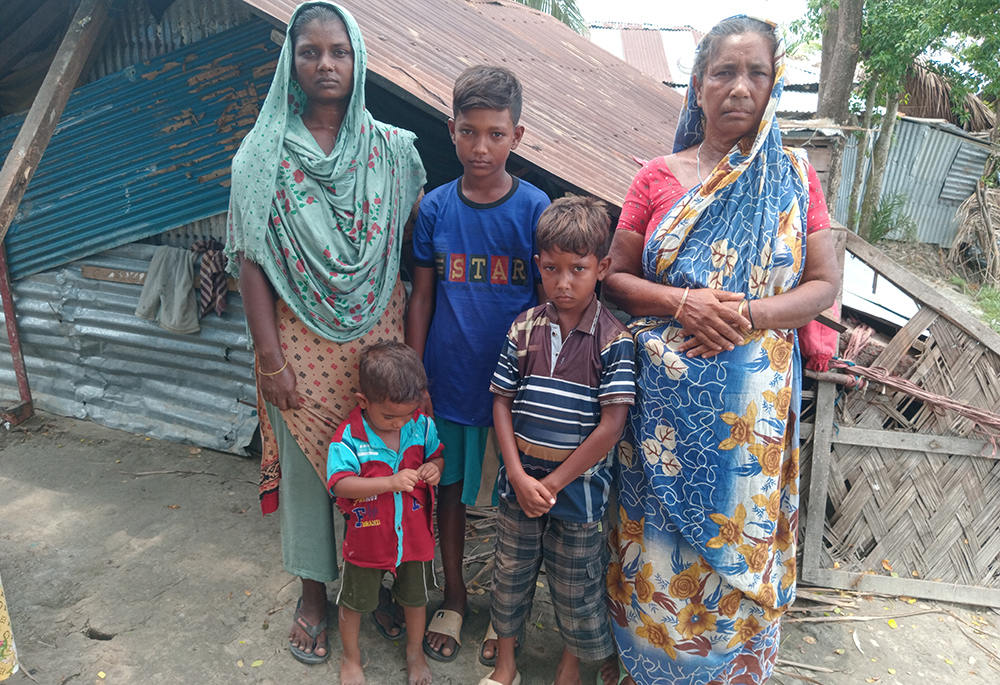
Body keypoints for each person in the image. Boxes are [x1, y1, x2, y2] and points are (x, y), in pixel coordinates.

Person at [601, 16, 840, 685]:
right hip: (662, 422)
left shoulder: (795, 176)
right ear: (698, 85)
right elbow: (613, 277)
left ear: (774, 86)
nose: (739, 87)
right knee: (656, 552)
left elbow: (823, 286)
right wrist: (682, 302)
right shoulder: (657, 176)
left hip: (751, 423)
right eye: (723, 72)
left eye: (756, 73)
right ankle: (654, 668)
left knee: (739, 552)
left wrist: (745, 312)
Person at [225, 1, 425, 665]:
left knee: (387, 463)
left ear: (358, 59)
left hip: (379, 337)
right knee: (316, 477)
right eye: (309, 51)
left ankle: (384, 580)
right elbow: (251, 257)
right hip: (298, 344)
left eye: (338, 51)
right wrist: (268, 357)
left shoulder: (393, 152)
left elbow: (404, 250)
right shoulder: (262, 157)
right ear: (292, 62)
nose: (325, 63)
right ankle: (315, 591)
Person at [406, 65, 550, 664]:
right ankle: (456, 595)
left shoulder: (535, 209)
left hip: (516, 389)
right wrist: (416, 376)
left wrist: (541, 382)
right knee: (453, 494)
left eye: (495, 133)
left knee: (514, 504)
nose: (481, 147)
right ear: (452, 131)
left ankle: (505, 613)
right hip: (450, 378)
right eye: (469, 132)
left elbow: (550, 303)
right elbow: (421, 295)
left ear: (517, 135)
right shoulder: (436, 209)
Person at [483, 197, 636, 685]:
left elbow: (611, 426)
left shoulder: (615, 340)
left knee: (576, 588)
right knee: (509, 576)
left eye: (578, 269)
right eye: (551, 268)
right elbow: (501, 402)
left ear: (603, 268)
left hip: (579, 494)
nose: (563, 282)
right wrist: (515, 474)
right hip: (519, 487)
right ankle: (507, 665)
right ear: (538, 266)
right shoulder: (522, 329)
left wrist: (552, 483)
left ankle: (569, 670)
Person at [327, 341, 444, 685]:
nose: (398, 423)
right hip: (367, 541)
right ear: (363, 402)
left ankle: (414, 651)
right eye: (389, 416)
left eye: (407, 414)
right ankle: (351, 658)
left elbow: (436, 456)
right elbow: (340, 484)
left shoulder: (420, 427)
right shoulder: (349, 438)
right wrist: (390, 482)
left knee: (415, 599)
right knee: (354, 602)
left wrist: (434, 468)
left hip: (414, 539)